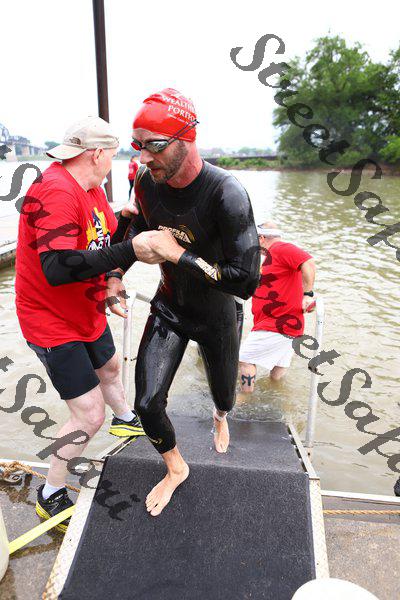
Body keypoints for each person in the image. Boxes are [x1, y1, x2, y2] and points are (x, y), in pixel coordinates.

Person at [15, 116, 169, 530]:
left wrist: (125, 222)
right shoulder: (56, 191)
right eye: (114, 156)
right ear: (98, 154)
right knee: (87, 415)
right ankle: (51, 492)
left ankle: (125, 420)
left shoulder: (92, 188)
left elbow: (99, 239)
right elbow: (57, 267)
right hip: (49, 320)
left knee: (111, 368)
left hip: (84, 309)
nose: (114, 164)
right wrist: (129, 251)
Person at [119, 88, 260, 516]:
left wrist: (180, 255)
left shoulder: (227, 194)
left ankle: (220, 416)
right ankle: (176, 467)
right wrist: (112, 275)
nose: (144, 158)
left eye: (155, 146)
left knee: (225, 396)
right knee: (145, 404)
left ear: (187, 137)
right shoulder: (146, 183)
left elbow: (245, 281)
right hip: (169, 307)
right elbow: (139, 232)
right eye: (138, 146)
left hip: (218, 316)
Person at [239, 221, 316, 392]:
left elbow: (309, 262)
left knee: (245, 359)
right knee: (276, 374)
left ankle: (245, 397)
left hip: (276, 324)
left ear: (261, 238)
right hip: (287, 325)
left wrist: (308, 294)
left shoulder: (281, 248)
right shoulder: (273, 256)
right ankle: (278, 398)